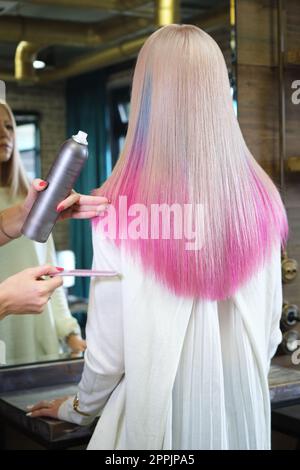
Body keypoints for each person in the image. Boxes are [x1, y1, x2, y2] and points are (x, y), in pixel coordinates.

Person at [29, 25, 288, 450]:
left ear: (146, 98)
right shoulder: (260, 201)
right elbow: (269, 336)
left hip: (158, 428)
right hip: (242, 420)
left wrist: (78, 407)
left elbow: (108, 356)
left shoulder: (122, 209)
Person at [0, 100, 108, 361]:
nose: (4, 135)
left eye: (8, 127)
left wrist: (70, 333)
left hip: (38, 337)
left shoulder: (31, 196)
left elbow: (50, 271)